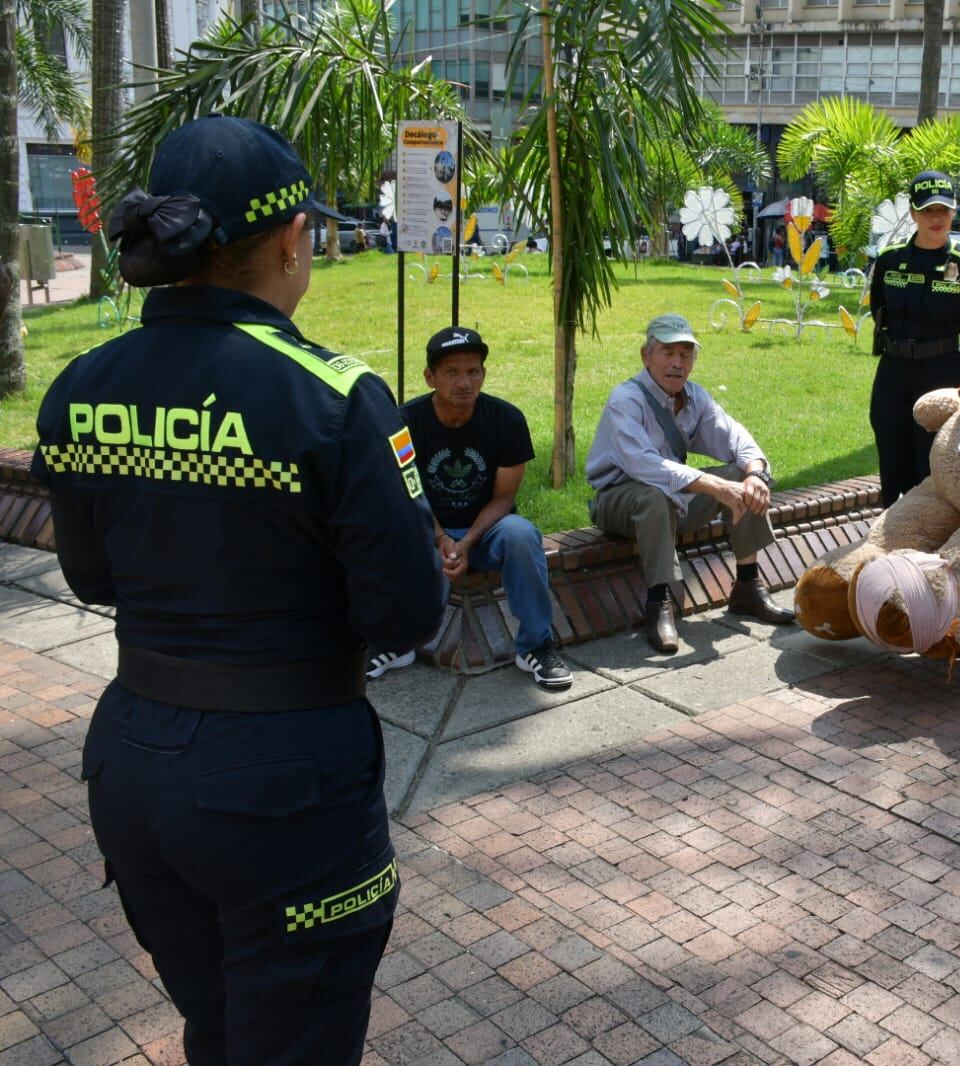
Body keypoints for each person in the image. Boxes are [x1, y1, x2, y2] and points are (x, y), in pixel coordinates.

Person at [31, 115, 443, 1064]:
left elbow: (91, 578)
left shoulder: (81, 383)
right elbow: (407, 610)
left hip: (132, 764)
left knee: (218, 1028)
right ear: (293, 238)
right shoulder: (333, 395)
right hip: (284, 784)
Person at [373, 326, 573, 690]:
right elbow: (409, 492)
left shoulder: (507, 421)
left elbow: (503, 498)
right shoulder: (404, 423)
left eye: (473, 371)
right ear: (429, 377)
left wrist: (464, 543)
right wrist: (440, 539)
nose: (464, 382)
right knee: (382, 526)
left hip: (486, 531)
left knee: (522, 535)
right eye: (451, 372)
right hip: (425, 528)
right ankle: (396, 641)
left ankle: (536, 645)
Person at [586, 313, 795, 654]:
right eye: (667, 352)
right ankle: (659, 603)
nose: (677, 363)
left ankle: (747, 585)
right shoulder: (625, 400)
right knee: (655, 496)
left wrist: (756, 474)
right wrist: (711, 485)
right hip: (619, 502)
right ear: (645, 356)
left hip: (673, 501)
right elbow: (644, 464)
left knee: (741, 477)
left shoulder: (695, 398)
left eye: (685, 354)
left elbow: (736, 439)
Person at [869, 169, 960, 507]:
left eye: (943, 210)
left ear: (954, 210)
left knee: (932, 477)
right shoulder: (890, 260)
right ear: (913, 212)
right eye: (928, 210)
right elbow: (879, 311)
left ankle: (928, 555)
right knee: (892, 476)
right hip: (892, 379)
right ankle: (890, 552)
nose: (936, 218)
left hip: (942, 378)